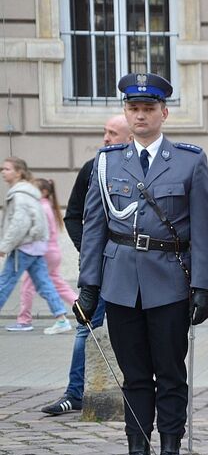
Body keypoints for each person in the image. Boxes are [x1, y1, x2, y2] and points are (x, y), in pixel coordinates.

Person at [73, 73, 208, 455]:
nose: (140, 115)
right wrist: (88, 286)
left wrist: (203, 286)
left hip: (170, 281)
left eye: (148, 109)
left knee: (170, 374)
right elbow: (95, 227)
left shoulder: (190, 161)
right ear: (125, 112)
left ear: (163, 113)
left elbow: (205, 228)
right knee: (134, 376)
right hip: (120, 284)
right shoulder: (106, 163)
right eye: (133, 108)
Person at [39, 114, 131, 416]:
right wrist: (90, 252)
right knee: (85, 328)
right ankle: (75, 393)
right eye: (105, 132)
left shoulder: (144, 168)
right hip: (100, 270)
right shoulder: (94, 168)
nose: (106, 138)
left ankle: (137, 391)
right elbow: (73, 215)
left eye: (113, 133)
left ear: (129, 138)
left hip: (134, 269)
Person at [0, 157, 73, 335]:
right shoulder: (30, 193)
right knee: (45, 284)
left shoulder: (20, 194)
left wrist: (5, 246)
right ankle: (62, 319)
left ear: (19, 172)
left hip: (24, 248)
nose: (3, 172)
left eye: (7, 169)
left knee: (5, 283)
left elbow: (19, 223)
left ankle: (56, 320)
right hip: (35, 249)